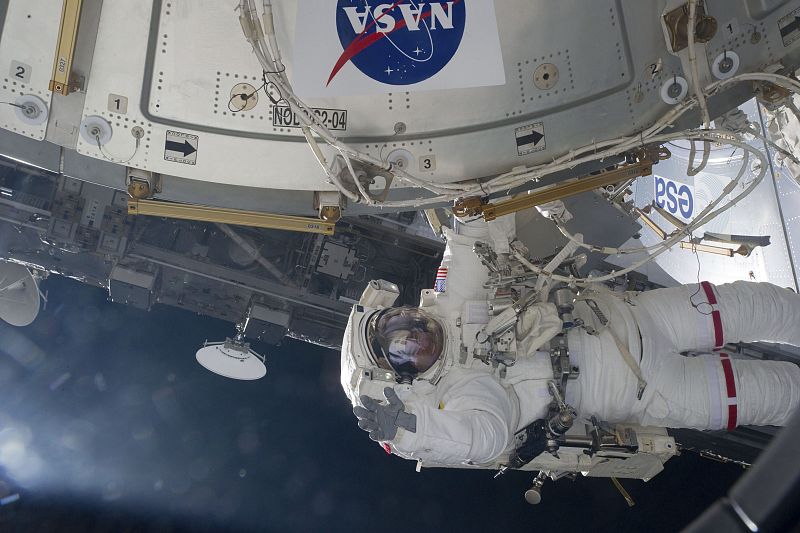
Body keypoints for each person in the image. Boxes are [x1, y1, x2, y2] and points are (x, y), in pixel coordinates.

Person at [340, 215, 800, 468]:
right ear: (404, 377)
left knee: (763, 305)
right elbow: (484, 437)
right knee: (780, 396)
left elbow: (471, 240)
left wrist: (467, 205)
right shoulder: (460, 390)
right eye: (402, 347)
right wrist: (408, 428)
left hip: (641, 317)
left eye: (400, 321)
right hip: (650, 391)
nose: (416, 334)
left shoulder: (453, 306)